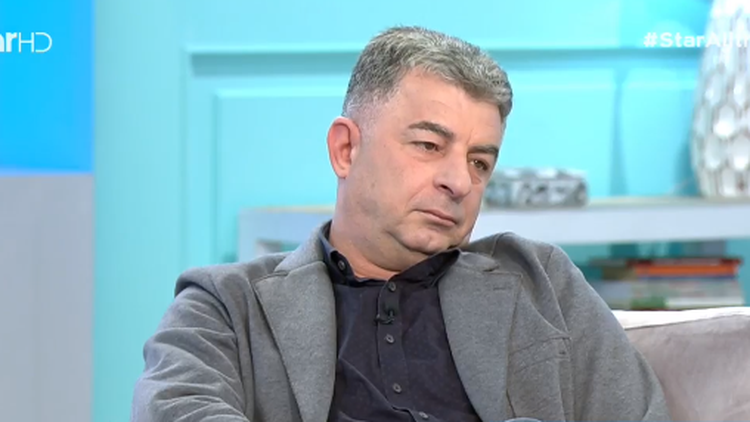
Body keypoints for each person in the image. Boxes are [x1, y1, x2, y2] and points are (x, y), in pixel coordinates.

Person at [131, 26, 671, 422]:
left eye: (479, 162)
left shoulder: (539, 279)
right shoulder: (226, 305)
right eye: (429, 145)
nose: (459, 181)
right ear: (346, 149)